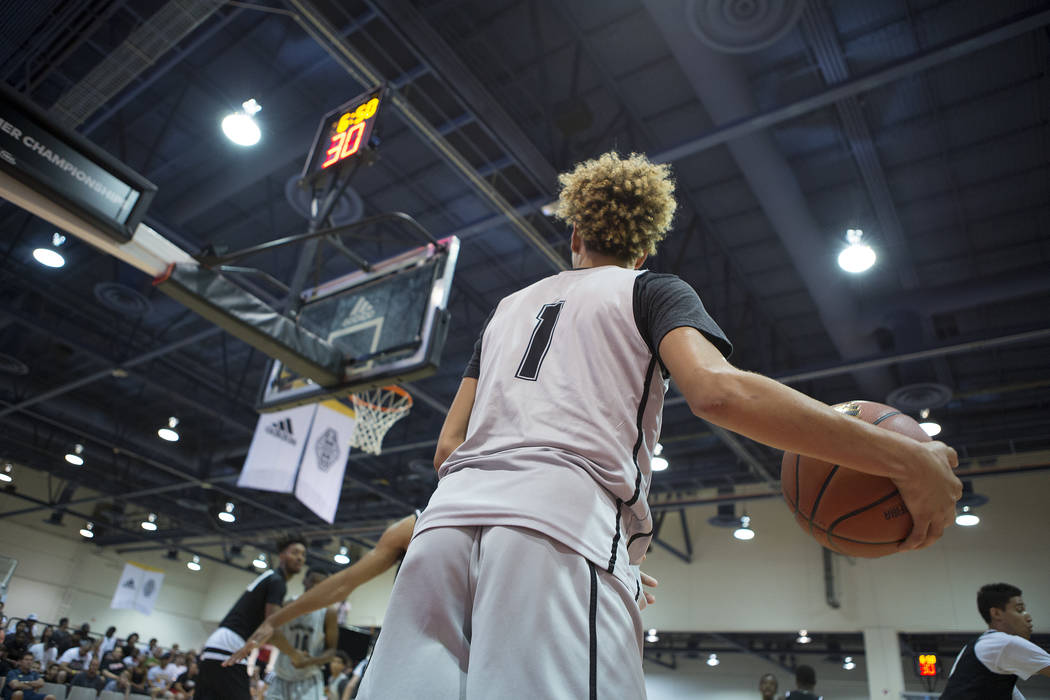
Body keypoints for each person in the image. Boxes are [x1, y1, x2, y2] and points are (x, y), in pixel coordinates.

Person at [351, 151, 963, 698]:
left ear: (574, 235)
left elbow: (448, 447)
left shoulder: (508, 310)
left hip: (442, 530)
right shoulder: (651, 288)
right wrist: (907, 457)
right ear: (644, 248)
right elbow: (717, 393)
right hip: (564, 530)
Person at [197, 533, 307, 700]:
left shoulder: (269, 577)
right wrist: (294, 653)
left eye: (303, 555)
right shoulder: (277, 582)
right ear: (282, 555)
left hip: (216, 645)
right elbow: (273, 628)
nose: (300, 558)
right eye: (295, 552)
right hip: (229, 647)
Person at [941, 583, 1050, 699]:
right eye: (1019, 610)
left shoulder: (975, 649)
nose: (1028, 617)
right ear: (996, 613)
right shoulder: (1004, 643)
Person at [266, 569, 339, 700]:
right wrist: (293, 654)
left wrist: (310, 661)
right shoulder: (288, 605)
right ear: (304, 581)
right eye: (313, 581)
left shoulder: (329, 612)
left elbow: (331, 652)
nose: (316, 586)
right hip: (281, 676)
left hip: (308, 679)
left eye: (321, 583)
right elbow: (272, 635)